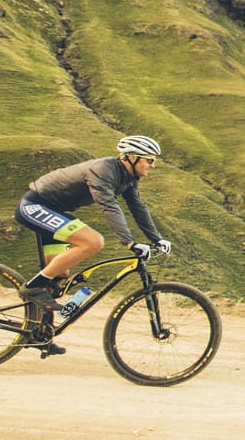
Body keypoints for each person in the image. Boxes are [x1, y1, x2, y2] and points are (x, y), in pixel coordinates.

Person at [14, 135, 172, 354]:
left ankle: (41, 335)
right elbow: (108, 206)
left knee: (58, 276)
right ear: (132, 157)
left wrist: (157, 238)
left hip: (54, 211)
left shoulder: (128, 178)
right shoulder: (103, 170)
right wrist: (129, 243)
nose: (152, 166)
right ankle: (31, 289)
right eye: (150, 160)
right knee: (93, 241)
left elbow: (138, 207)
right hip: (35, 205)